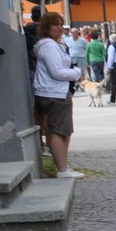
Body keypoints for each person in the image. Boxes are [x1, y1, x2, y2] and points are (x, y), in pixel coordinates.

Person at [31, 11, 84, 179]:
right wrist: (76, 72)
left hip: (55, 91)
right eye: (56, 24)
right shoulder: (49, 46)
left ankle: (63, 167)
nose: (60, 27)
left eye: (61, 24)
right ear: (47, 27)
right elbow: (57, 72)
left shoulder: (52, 45)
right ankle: (62, 169)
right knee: (58, 131)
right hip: (54, 93)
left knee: (63, 131)